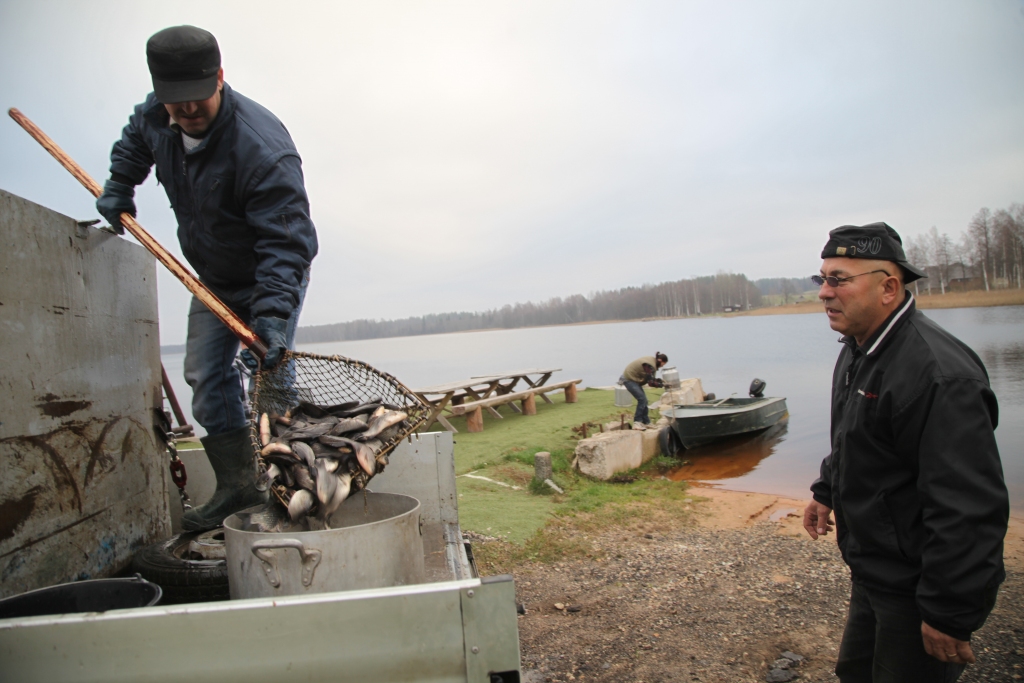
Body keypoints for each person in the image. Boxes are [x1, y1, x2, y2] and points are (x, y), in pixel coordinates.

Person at [96, 25, 318, 532]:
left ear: (219, 77)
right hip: (213, 278)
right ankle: (238, 485)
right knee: (203, 371)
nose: (187, 111)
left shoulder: (262, 149)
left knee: (270, 377)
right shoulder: (157, 114)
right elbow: (135, 142)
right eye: (177, 102)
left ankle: (288, 490)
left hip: (269, 275)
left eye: (197, 98)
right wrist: (119, 186)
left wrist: (272, 317)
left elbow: (286, 243)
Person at [802, 223, 1007, 682]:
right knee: (855, 674)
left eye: (839, 279)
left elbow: (968, 505)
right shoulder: (860, 349)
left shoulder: (937, 374)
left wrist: (948, 612)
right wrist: (826, 490)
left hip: (915, 586)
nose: (824, 293)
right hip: (873, 571)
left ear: (888, 287)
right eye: (822, 279)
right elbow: (856, 441)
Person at [620, 352, 668, 426]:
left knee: (644, 400)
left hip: (634, 380)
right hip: (628, 379)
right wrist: (662, 385)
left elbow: (650, 378)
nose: (662, 366)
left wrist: (659, 381)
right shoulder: (649, 365)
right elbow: (651, 383)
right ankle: (637, 422)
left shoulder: (652, 362)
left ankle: (646, 422)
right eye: (663, 364)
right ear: (660, 360)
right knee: (642, 399)